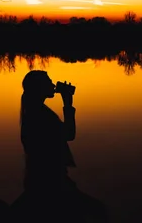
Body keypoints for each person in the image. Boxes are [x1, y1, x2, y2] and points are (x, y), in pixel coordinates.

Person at [11, 70, 107, 222]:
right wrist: (68, 103)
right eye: (48, 82)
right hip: (51, 183)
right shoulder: (41, 115)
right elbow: (69, 134)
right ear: (40, 88)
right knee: (99, 212)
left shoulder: (35, 112)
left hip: (41, 180)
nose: (53, 84)